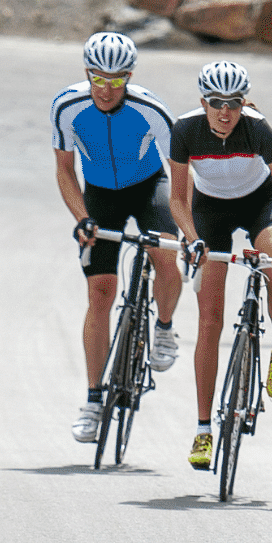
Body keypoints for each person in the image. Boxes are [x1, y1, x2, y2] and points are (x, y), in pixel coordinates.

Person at [168, 58, 272, 469]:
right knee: (209, 319)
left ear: (243, 102)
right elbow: (178, 201)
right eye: (216, 102)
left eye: (233, 103)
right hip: (210, 211)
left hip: (259, 202)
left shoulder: (258, 129)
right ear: (203, 101)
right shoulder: (185, 130)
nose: (224, 112)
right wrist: (193, 240)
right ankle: (203, 430)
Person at [52, 31, 183, 444]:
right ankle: (92, 401)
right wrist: (81, 218)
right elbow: (64, 170)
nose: (106, 89)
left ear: (129, 77)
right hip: (100, 196)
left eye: (116, 80)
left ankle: (163, 327)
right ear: (86, 73)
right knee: (101, 293)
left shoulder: (152, 110)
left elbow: (180, 174)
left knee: (165, 256)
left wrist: (187, 227)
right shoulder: (66, 107)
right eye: (98, 78)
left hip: (149, 188)